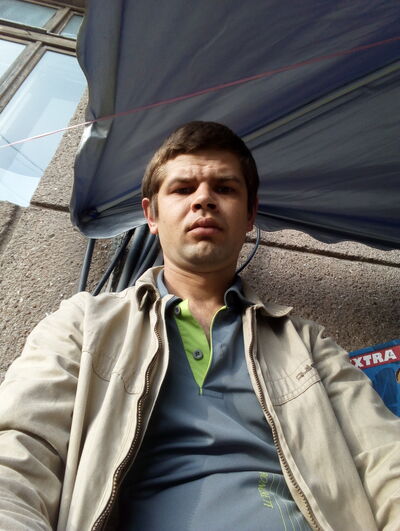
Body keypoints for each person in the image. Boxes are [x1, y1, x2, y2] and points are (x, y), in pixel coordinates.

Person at [0, 121, 399, 531]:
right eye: (183, 188)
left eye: (224, 188)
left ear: (249, 215)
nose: (204, 199)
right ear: (151, 215)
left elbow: (385, 458)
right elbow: (19, 451)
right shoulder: (83, 324)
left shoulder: (308, 343)